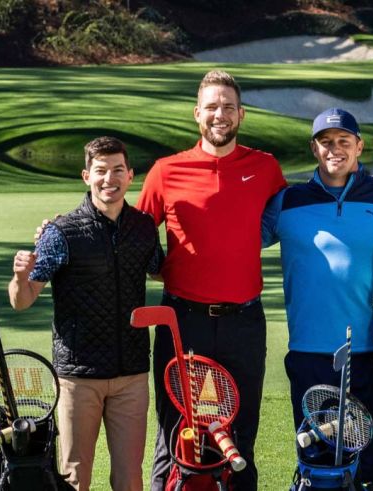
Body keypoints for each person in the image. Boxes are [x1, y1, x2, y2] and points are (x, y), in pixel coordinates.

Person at [136, 70, 287, 490]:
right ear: (196, 114)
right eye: (211, 107)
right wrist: (60, 227)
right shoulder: (166, 171)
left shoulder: (265, 168)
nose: (219, 114)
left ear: (240, 114)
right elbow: (133, 236)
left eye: (227, 107)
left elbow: (305, 209)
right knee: (177, 438)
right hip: (183, 322)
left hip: (244, 323)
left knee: (240, 441)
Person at [262, 107, 373, 489]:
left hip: (371, 353)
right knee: (315, 457)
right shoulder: (287, 201)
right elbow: (239, 239)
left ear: (359, 146)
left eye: (344, 141)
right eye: (326, 142)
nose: (335, 149)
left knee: (368, 464)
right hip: (308, 353)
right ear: (314, 149)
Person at [8, 136, 163, 491]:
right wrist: (19, 276)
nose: (109, 179)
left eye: (117, 170)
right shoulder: (61, 232)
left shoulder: (143, 228)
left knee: (130, 479)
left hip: (132, 375)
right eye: (101, 171)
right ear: (85, 175)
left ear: (131, 175)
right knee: (73, 477)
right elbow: (22, 299)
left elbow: (161, 269)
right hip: (78, 377)